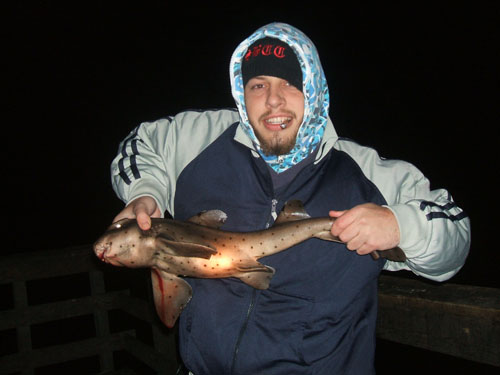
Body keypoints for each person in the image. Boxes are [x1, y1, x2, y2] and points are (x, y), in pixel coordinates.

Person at [111, 23, 470, 375]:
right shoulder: (201, 140)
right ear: (241, 92)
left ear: (314, 89)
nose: (273, 100)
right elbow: (138, 145)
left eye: (290, 83)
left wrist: (400, 226)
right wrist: (145, 193)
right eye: (258, 85)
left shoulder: (366, 175)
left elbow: (455, 233)